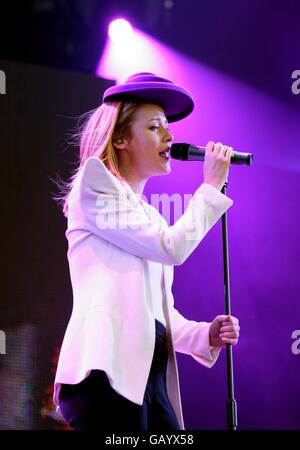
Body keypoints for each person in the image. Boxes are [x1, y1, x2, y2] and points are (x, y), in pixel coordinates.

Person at [53, 72, 240, 431]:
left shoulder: (150, 216)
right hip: (108, 369)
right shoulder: (95, 184)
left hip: (148, 375)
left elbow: (159, 311)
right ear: (121, 137)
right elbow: (172, 247)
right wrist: (212, 187)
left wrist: (205, 335)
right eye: (155, 127)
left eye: (167, 127)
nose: (170, 137)